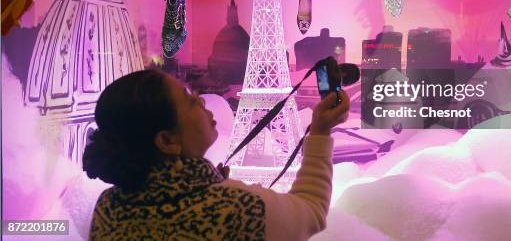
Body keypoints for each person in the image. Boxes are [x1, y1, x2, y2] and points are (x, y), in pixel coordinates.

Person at [84, 69, 349, 240]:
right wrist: (321, 132)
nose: (203, 101)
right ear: (166, 140)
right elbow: (312, 211)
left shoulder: (108, 207)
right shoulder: (236, 208)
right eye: (190, 100)